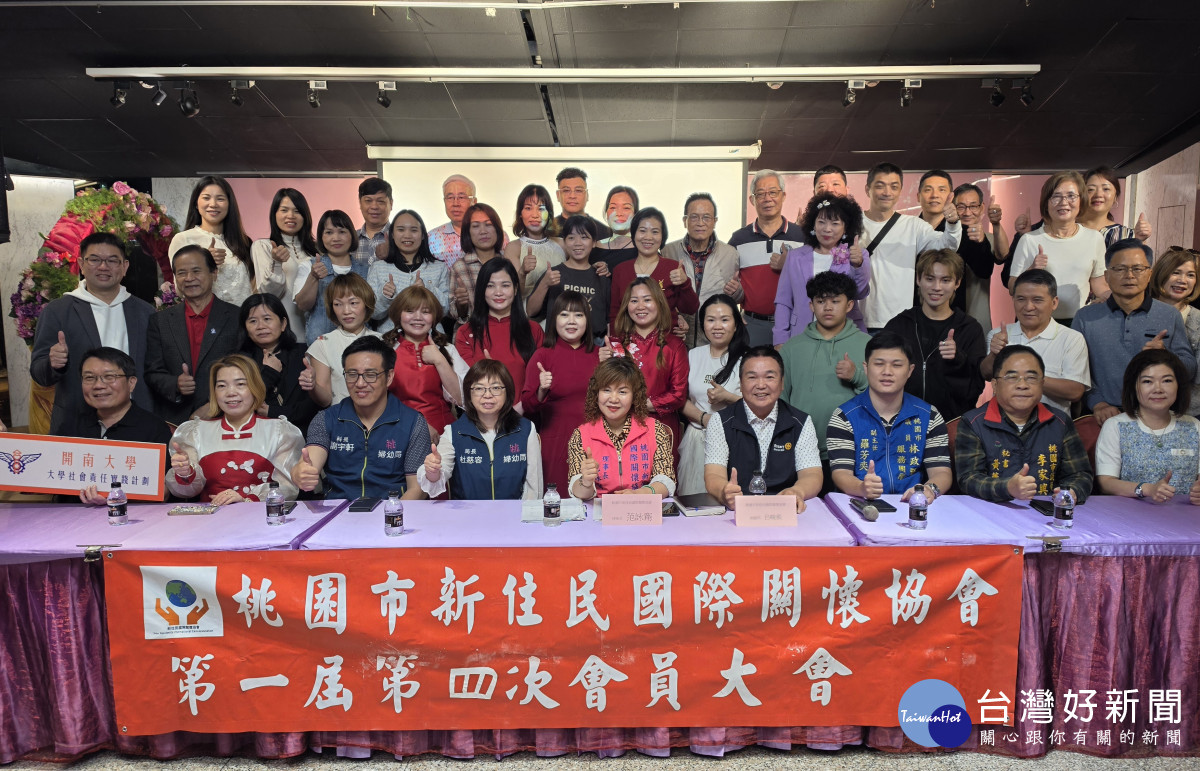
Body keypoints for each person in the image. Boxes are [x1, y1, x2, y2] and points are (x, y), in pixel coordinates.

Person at [31, 232, 156, 435]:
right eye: (95, 259)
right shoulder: (58, 311)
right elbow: (39, 374)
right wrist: (53, 364)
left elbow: (155, 370)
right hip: (76, 422)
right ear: (81, 264)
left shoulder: (145, 312)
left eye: (112, 260)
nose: (103, 267)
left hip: (137, 423)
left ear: (125, 267)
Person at [1073, 239, 1196, 424]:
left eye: (1138, 269)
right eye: (1120, 269)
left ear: (1149, 274)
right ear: (1106, 276)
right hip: (1103, 415)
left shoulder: (1169, 315)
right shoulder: (1085, 317)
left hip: (1157, 415)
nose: (1129, 275)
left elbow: (1190, 369)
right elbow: (1077, 372)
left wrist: (1165, 355)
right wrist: (1097, 403)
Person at [293, 336, 431, 500]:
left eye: (370, 374)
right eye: (352, 374)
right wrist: (300, 473)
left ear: (389, 377)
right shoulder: (327, 419)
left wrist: (390, 514)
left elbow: (417, 489)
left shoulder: (412, 422)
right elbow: (309, 463)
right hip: (339, 511)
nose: (359, 383)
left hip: (391, 509)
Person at [955, 345, 1093, 503]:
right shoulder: (973, 423)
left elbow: (1080, 474)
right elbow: (968, 479)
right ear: (994, 385)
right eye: (1012, 377)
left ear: (1042, 383)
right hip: (992, 510)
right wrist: (1007, 488)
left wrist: (1072, 491)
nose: (1022, 385)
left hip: (1046, 511)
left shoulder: (1059, 422)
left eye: (1031, 377)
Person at [827, 331, 953, 499]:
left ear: (910, 370)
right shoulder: (844, 416)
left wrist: (929, 489)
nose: (887, 372)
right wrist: (861, 488)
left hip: (911, 503)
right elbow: (841, 473)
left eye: (897, 365)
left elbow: (941, 472)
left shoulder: (929, 416)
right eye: (879, 364)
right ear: (866, 368)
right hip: (860, 503)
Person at [166, 353, 303, 504]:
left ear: (255, 387)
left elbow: (287, 488)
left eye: (240, 384)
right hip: (209, 516)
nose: (231, 393)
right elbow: (185, 491)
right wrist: (185, 473)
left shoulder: (279, 431)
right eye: (222, 386)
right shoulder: (196, 432)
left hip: (259, 516)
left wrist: (247, 500)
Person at [703, 345, 822, 510]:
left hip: (784, 509)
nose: (760, 385)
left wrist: (797, 491)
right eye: (752, 377)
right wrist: (724, 492)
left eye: (769, 377)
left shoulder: (800, 422)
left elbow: (812, 474)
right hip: (738, 509)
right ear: (741, 383)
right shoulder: (720, 421)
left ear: (782, 383)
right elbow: (713, 474)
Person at [883, 248, 986, 422]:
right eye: (930, 279)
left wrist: (958, 359)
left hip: (952, 424)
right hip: (903, 423)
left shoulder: (969, 328)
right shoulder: (899, 325)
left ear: (957, 283)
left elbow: (975, 387)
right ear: (918, 279)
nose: (936, 287)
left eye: (945, 280)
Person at [144, 244, 241, 425]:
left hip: (226, 417)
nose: (189, 278)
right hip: (175, 420)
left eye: (196, 271)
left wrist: (215, 404)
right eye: (181, 273)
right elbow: (152, 372)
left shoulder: (236, 317)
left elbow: (247, 369)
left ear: (214, 273)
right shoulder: (160, 320)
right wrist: (175, 384)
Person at [780, 272, 870, 463]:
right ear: (811, 306)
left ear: (849, 305)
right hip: (801, 448)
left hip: (852, 448)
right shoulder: (791, 348)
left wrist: (857, 376)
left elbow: (883, 398)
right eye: (821, 301)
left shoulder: (867, 345)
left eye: (835, 301)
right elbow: (780, 398)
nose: (828, 307)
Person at [859, 162, 962, 331]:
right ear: (867, 189)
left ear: (900, 191)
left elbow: (947, 247)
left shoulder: (913, 225)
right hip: (856, 322)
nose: (887, 192)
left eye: (894, 187)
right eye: (880, 186)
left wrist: (952, 223)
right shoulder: (851, 223)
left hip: (899, 324)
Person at [421, 359, 543, 500]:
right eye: (479, 388)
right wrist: (433, 471)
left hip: (513, 512)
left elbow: (534, 487)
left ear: (508, 392)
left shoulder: (525, 430)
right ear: (469, 394)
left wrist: (523, 513)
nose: (487, 395)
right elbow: (438, 476)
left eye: (495, 388)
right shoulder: (454, 432)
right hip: (467, 513)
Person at [68, 348, 174, 505]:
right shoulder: (70, 427)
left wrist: (115, 498)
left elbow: (165, 491)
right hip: (75, 516)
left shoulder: (154, 429)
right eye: (89, 378)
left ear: (131, 383)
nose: (98, 385)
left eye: (109, 377)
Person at [522, 291, 603, 492]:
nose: (571, 321)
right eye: (564, 314)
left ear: (587, 320)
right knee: (558, 499)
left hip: (595, 441)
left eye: (578, 315)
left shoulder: (599, 356)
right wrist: (542, 389)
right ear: (554, 319)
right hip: (556, 442)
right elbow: (527, 406)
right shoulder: (542, 356)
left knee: (594, 500)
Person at [1096, 349, 1200, 503]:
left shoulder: (1193, 426)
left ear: (1178, 385)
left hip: (1183, 514)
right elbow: (1106, 483)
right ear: (1134, 386)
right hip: (1130, 513)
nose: (1158, 389)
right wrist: (1147, 489)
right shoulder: (1116, 425)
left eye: (1167, 381)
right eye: (1147, 381)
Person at [981, 269, 1090, 414]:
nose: (1028, 307)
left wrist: (1027, 378)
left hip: (1052, 422)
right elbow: (986, 374)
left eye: (1037, 300)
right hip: (1003, 421)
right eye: (1021, 299)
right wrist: (994, 354)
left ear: (1054, 303)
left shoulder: (1071, 338)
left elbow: (1075, 391)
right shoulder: (999, 334)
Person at [567, 357, 675, 499]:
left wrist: (639, 494)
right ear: (596, 394)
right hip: (600, 509)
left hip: (642, 505)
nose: (613, 399)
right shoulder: (581, 435)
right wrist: (585, 482)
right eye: (606, 390)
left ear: (634, 396)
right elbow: (579, 492)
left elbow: (666, 479)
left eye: (622, 392)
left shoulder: (655, 430)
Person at [1009, 170, 1108, 322]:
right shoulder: (1029, 240)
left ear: (1081, 201)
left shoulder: (1094, 238)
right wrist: (1031, 270)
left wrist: (1113, 297)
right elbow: (1012, 287)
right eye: (1056, 196)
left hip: (1077, 322)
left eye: (1071, 196)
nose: (1064, 202)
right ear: (1046, 203)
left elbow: (1099, 283)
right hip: (1037, 322)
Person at [773, 192, 870, 342]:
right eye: (821, 222)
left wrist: (857, 265)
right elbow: (783, 301)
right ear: (813, 224)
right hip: (802, 334)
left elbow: (860, 293)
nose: (827, 229)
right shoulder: (795, 257)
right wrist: (780, 339)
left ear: (845, 228)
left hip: (845, 335)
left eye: (835, 223)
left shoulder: (857, 255)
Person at [611, 277, 689, 461]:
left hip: (662, 428)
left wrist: (638, 404)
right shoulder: (615, 345)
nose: (640, 306)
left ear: (659, 303)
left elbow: (678, 394)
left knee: (660, 477)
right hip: (620, 426)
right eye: (634, 300)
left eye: (647, 300)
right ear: (626, 306)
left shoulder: (674, 345)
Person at [677, 294, 745, 495]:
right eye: (711, 320)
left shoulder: (746, 359)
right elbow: (679, 399)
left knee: (730, 497)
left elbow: (759, 405)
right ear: (703, 324)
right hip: (697, 437)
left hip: (734, 439)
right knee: (695, 500)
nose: (717, 326)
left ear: (736, 324)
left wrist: (728, 397)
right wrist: (704, 418)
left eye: (724, 320)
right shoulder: (693, 355)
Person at [728, 170, 806, 346]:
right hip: (752, 325)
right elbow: (727, 282)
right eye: (761, 194)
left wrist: (790, 265)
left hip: (793, 324)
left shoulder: (802, 236)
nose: (767, 198)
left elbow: (813, 280)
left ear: (783, 196)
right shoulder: (739, 239)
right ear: (752, 200)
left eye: (773, 192)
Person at [455, 259, 543, 407]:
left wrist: (518, 411)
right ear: (481, 290)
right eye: (490, 286)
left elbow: (539, 382)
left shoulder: (533, 330)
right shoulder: (466, 333)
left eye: (505, 285)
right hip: (482, 415)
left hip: (525, 414)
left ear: (516, 289)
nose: (498, 292)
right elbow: (466, 385)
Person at [382, 285, 467, 438]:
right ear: (398, 314)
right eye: (410, 311)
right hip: (397, 432)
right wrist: (417, 426)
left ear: (434, 317)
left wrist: (439, 360)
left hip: (444, 435)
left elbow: (463, 399)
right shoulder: (384, 350)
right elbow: (374, 401)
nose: (418, 317)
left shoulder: (447, 349)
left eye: (426, 312)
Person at [662, 193, 741, 346]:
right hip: (678, 339)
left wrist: (737, 292)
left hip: (714, 342)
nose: (700, 223)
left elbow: (737, 299)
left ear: (714, 221)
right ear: (684, 221)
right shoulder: (668, 252)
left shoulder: (731, 254)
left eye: (706, 217)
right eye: (694, 217)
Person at [238, 293, 319, 435]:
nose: (260, 326)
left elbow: (313, 406)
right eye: (253, 321)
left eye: (267, 319)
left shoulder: (306, 354)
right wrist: (269, 373)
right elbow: (240, 402)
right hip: (255, 436)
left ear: (283, 324)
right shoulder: (239, 361)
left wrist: (272, 412)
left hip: (301, 435)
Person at [168, 176, 254, 307]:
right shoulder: (183, 239)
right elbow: (180, 291)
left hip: (242, 315)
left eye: (220, 199)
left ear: (229, 204)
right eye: (206, 198)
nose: (213, 204)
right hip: (208, 316)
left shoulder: (244, 242)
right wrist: (204, 261)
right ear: (196, 203)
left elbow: (252, 287)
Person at [608, 207, 699, 331]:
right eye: (642, 231)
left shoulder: (673, 268)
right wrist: (616, 341)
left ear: (662, 236)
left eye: (655, 232)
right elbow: (615, 314)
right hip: (629, 341)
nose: (648, 237)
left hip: (666, 340)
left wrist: (685, 283)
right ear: (634, 234)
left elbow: (690, 309)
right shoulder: (620, 270)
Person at [302, 273, 382, 409]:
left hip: (380, 417)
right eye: (338, 304)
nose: (346, 311)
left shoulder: (383, 341)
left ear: (366, 304)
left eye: (353, 303)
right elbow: (325, 400)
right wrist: (313, 385)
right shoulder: (323, 344)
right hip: (340, 417)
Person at [294, 209, 370, 344]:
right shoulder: (308, 266)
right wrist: (313, 277)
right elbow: (303, 305)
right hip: (321, 347)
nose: (336, 238)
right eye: (329, 232)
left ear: (352, 235)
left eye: (342, 232)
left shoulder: (367, 270)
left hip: (360, 347)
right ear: (321, 237)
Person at [526, 215, 610, 336]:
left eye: (584, 237)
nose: (577, 243)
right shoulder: (552, 274)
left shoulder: (601, 276)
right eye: (571, 238)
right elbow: (530, 311)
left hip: (594, 345)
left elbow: (609, 319)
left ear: (594, 242)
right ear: (564, 242)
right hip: (557, 343)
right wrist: (544, 283)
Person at [249, 187, 318, 336]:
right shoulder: (264, 246)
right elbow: (268, 294)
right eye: (284, 210)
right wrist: (277, 263)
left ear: (305, 216)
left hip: (316, 333)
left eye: (297, 211)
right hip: (281, 335)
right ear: (274, 214)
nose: (290, 216)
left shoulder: (316, 250)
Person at [368, 209, 450, 332]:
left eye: (414, 230)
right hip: (391, 339)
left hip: (430, 338)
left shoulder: (439, 267)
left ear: (423, 235)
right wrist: (385, 296)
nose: (407, 235)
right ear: (392, 235)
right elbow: (372, 313)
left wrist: (428, 289)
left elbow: (444, 311)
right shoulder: (378, 268)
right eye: (401, 230)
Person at [1150, 247, 1200, 416]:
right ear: (1161, 274)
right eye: (1176, 273)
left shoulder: (1197, 319)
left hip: (1190, 412)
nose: (1182, 280)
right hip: (1143, 408)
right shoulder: (1139, 310)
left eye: (1190, 275)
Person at [953, 183, 1008, 330]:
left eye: (973, 206)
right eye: (961, 207)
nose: (967, 212)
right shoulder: (945, 239)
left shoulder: (988, 238)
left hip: (978, 318)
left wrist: (996, 224)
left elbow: (1003, 255)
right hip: (948, 317)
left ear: (982, 207)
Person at [504, 184, 565, 299]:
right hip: (526, 309)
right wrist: (522, 272)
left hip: (560, 309)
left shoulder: (562, 244)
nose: (535, 215)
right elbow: (512, 294)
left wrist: (597, 266)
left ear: (549, 213)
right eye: (528, 208)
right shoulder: (513, 248)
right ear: (520, 214)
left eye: (541, 209)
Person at [448, 202, 506, 324]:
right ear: (467, 232)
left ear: (497, 229)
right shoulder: (459, 267)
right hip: (472, 332)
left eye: (488, 224)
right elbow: (456, 314)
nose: (483, 231)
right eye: (475, 226)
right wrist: (461, 304)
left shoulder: (507, 262)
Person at [1077, 166, 1152, 248]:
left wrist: (1139, 241)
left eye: (1106, 189)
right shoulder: (1068, 229)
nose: (1098, 194)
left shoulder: (1128, 236)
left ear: (1115, 197)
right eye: (1090, 189)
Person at [428, 174, 477, 269]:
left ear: (474, 202)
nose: (455, 203)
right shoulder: (431, 238)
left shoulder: (491, 235)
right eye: (450, 198)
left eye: (461, 197)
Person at [592, 186, 640, 274]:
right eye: (613, 207)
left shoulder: (643, 249)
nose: (619, 213)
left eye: (626, 208)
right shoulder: (593, 248)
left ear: (636, 213)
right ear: (606, 212)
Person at [554, 167, 611, 239]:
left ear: (587, 195)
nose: (572, 196)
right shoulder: (547, 230)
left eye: (578, 190)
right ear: (558, 195)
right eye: (566, 191)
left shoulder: (605, 233)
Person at [355, 178, 393, 264]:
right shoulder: (350, 239)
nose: (374, 207)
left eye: (380, 201)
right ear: (360, 204)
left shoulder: (399, 239)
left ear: (391, 204)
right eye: (368, 201)